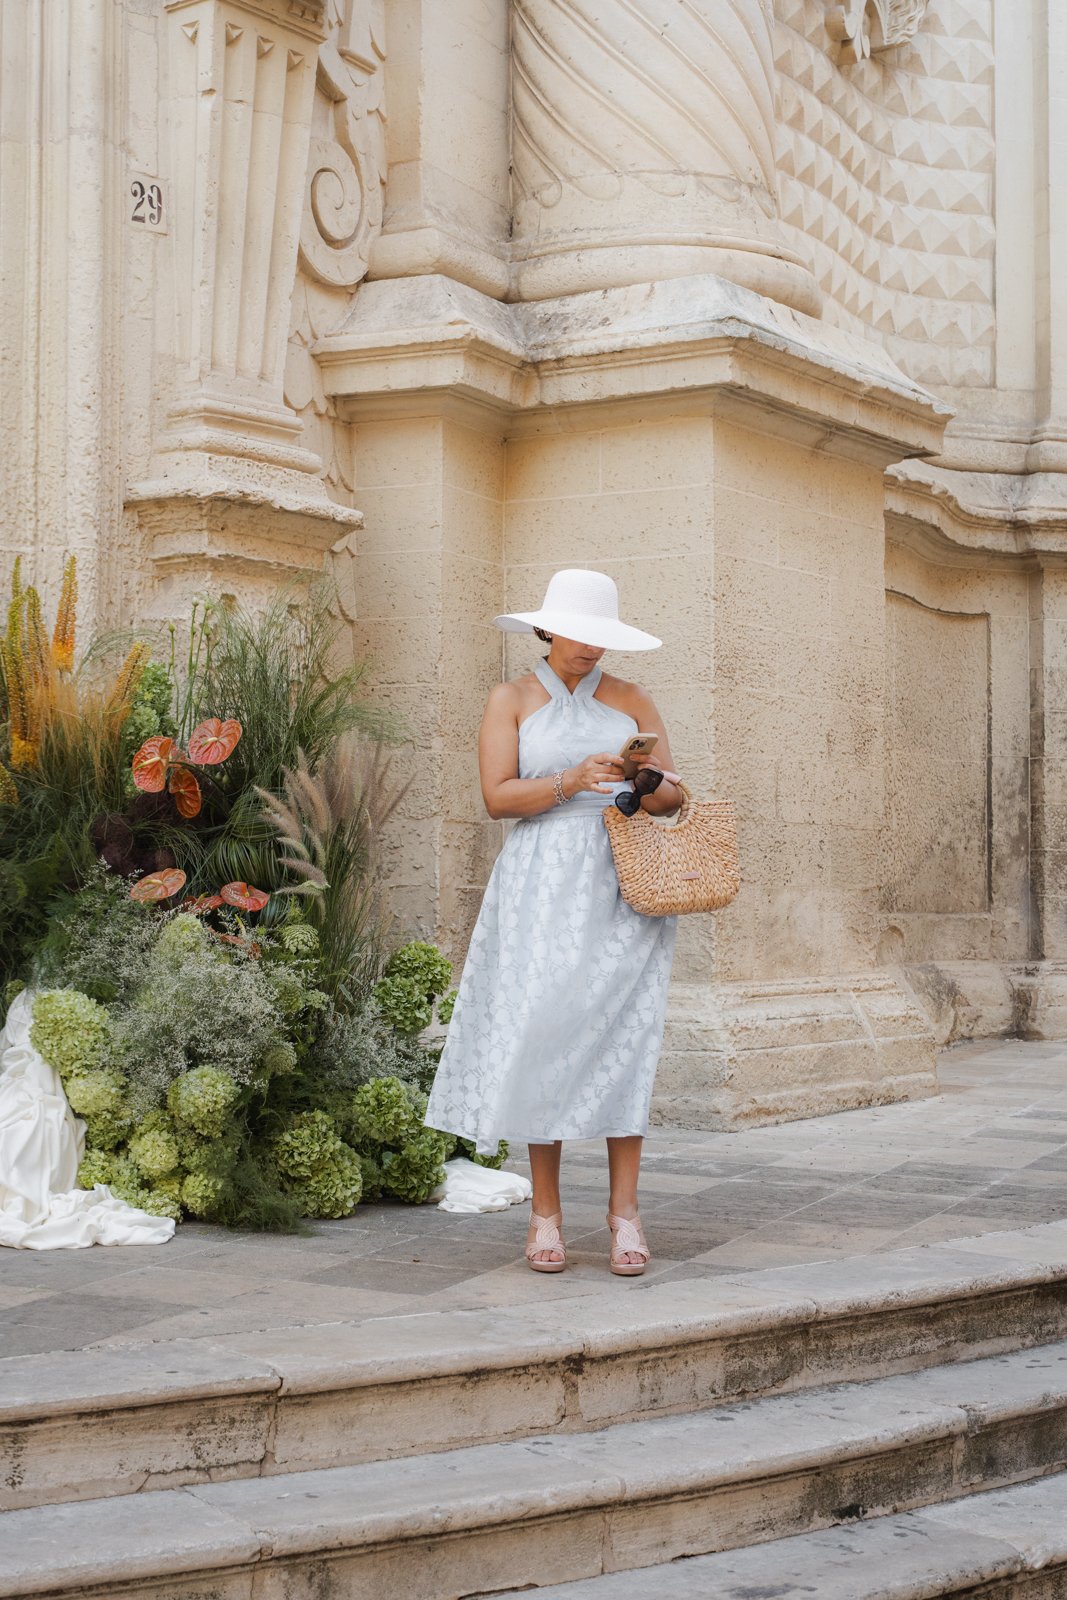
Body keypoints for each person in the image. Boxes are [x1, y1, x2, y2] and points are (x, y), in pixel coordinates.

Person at [423, 569, 682, 1276]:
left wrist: (642, 781)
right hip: (539, 881)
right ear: (546, 629)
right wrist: (571, 779)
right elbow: (496, 798)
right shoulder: (509, 698)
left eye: (601, 636)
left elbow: (673, 801)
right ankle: (545, 1213)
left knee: (624, 1038)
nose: (590, 648)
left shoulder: (632, 700)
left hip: (621, 881)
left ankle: (624, 1213)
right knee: (543, 1034)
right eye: (578, 633)